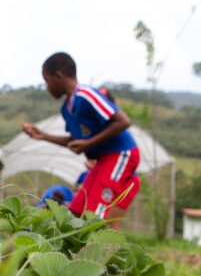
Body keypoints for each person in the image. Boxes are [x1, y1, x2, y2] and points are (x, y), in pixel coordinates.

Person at [21, 52, 141, 229]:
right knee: (77, 210)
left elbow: (123, 121)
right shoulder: (67, 108)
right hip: (103, 159)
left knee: (94, 216)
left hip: (120, 153)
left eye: (47, 81)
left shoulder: (85, 95)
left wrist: (88, 144)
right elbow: (75, 140)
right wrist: (42, 136)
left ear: (58, 75)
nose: (47, 87)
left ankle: (100, 254)